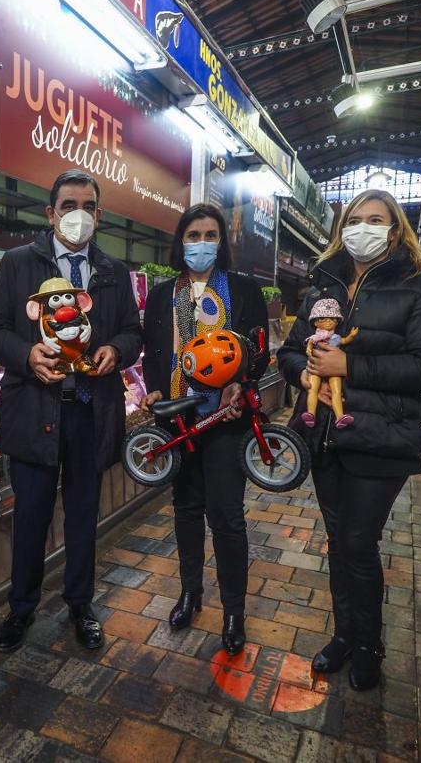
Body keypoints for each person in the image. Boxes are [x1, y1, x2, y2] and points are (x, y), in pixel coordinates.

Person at [277, 189, 421, 691]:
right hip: (326, 437)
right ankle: (346, 637)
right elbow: (291, 353)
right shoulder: (324, 284)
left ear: (396, 229)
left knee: (358, 540)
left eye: (376, 220)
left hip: (384, 436)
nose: (362, 228)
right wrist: (305, 374)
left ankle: (369, 644)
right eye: (354, 220)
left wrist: (348, 364)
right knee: (340, 542)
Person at [0, 169, 142, 653]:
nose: (78, 215)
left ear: (99, 214)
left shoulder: (112, 271)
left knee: (82, 517)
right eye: (68, 205)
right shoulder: (17, 264)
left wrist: (117, 349)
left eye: (87, 206)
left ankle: (80, 604)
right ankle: (21, 607)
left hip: (89, 414)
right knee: (29, 515)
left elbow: (133, 332)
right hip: (34, 411)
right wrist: (26, 356)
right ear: (50, 214)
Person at [139, 203, 268, 656]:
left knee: (227, 518)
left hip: (224, 419)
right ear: (180, 241)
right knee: (187, 510)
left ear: (222, 241)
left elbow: (258, 350)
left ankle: (234, 611)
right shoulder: (160, 295)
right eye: (193, 235)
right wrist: (155, 390)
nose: (201, 243)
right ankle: (190, 594)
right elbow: (151, 353)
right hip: (176, 418)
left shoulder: (244, 290)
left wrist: (240, 381)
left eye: (210, 234)